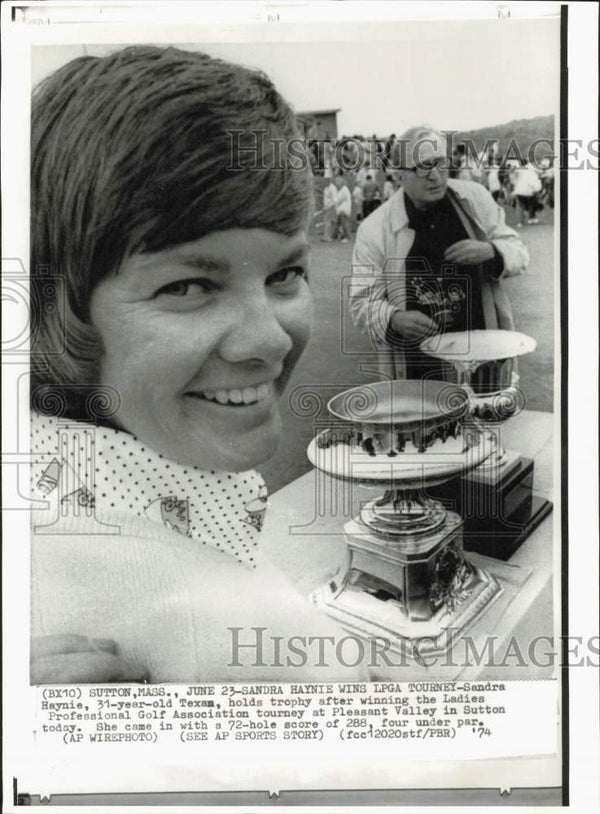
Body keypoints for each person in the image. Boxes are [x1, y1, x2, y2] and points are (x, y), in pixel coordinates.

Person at [29, 45, 365, 684]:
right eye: (186, 287)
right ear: (56, 308)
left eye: (285, 273)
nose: (269, 340)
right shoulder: (232, 642)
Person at [349, 126, 529, 380]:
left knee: (485, 414)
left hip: (482, 351)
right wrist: (394, 318)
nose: (434, 176)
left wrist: (491, 251)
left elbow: (519, 251)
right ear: (400, 176)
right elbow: (362, 303)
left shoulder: (475, 199)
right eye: (422, 167)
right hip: (418, 364)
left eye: (440, 164)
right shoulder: (374, 229)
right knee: (424, 416)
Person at [333, 174, 352, 242]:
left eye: (337, 182)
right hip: (341, 210)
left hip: (343, 209)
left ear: (341, 182)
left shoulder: (344, 189)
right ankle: (336, 236)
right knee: (338, 223)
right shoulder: (342, 190)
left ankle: (347, 237)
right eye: (336, 182)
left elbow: (339, 199)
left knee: (344, 224)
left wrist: (334, 200)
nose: (336, 184)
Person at [322, 176, 338, 241]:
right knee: (327, 222)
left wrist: (328, 207)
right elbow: (325, 199)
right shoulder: (325, 188)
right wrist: (324, 206)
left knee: (330, 222)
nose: (325, 182)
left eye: (326, 180)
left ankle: (328, 237)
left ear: (329, 180)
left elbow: (334, 200)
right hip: (326, 207)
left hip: (332, 207)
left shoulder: (333, 188)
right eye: (324, 180)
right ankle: (326, 236)